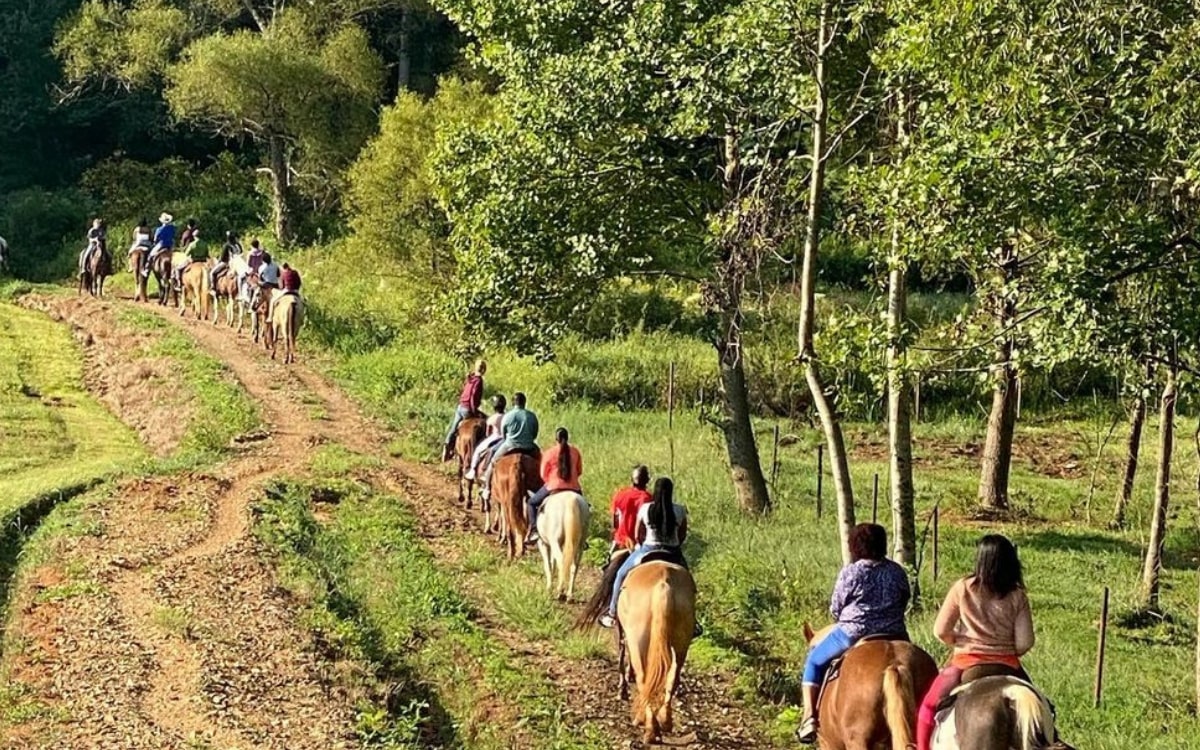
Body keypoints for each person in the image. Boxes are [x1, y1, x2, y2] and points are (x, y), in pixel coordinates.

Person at [915, 535, 1034, 750]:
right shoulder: (1017, 595)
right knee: (1042, 707)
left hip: (965, 664)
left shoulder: (963, 588)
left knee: (928, 707)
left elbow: (940, 630)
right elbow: (1025, 642)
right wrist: (1005, 649)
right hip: (1008, 665)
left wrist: (958, 641)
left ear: (980, 559)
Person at [796, 523, 910, 744]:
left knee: (814, 661)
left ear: (856, 546)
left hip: (853, 633)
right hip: (896, 633)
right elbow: (905, 599)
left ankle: (809, 717)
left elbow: (836, 607)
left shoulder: (852, 572)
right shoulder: (896, 571)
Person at [598, 476, 688, 629]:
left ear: (655, 491)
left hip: (648, 550)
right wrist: (674, 544)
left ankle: (612, 613)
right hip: (672, 552)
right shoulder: (680, 510)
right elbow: (682, 535)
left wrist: (641, 544)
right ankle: (693, 620)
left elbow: (638, 534)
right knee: (689, 582)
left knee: (620, 574)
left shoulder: (646, 509)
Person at [525, 427, 583, 544]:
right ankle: (582, 536)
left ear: (556, 439)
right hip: (574, 487)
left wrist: (550, 481)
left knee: (531, 503)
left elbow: (543, 474)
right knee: (585, 507)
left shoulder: (549, 452)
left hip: (553, 486)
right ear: (567, 437)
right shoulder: (575, 451)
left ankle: (534, 530)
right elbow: (579, 471)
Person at [481, 391, 539, 499]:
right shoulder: (532, 416)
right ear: (524, 402)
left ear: (513, 403)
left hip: (509, 445)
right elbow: (535, 434)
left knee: (493, 461)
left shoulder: (508, 416)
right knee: (542, 461)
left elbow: (504, 434)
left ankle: (487, 488)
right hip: (529, 446)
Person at [442, 360, 487, 462]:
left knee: (454, 427)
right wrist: (474, 411)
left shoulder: (470, 378)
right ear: (484, 370)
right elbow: (473, 396)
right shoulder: (479, 381)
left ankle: (447, 446)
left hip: (461, 407)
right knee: (484, 422)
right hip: (468, 409)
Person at [610, 465, 652, 554]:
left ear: (631, 479)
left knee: (609, 561)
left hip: (621, 542)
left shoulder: (619, 495)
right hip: (641, 545)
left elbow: (615, 524)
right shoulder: (649, 499)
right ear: (647, 480)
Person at [466, 394, 507, 481]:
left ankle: (472, 470)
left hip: (495, 437)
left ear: (494, 406)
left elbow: (488, 433)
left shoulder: (492, 418)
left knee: (477, 450)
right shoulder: (507, 416)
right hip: (505, 438)